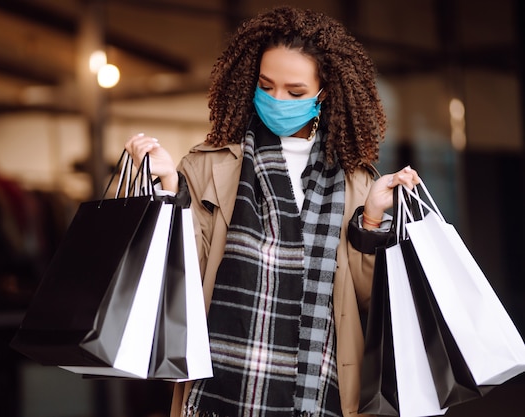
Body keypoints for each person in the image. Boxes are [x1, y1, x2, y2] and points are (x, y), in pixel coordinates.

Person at [126, 6, 419, 417]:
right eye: (266, 86)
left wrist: (370, 222)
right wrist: (170, 190)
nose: (277, 100)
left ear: (325, 94)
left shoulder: (355, 183)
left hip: (318, 396)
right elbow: (181, 276)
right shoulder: (208, 166)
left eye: (295, 92)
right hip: (220, 392)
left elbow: (370, 304)